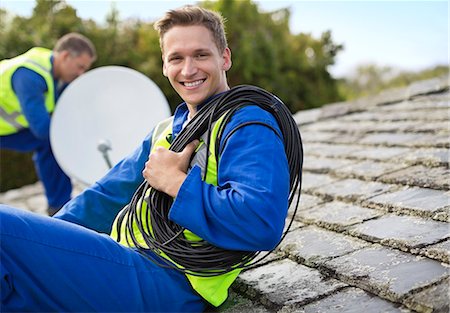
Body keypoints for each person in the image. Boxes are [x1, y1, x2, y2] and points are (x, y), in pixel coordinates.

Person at [0, 6, 293, 312]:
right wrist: (45, 246)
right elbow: (103, 197)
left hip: (169, 282)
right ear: (165, 66)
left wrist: (177, 183)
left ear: (225, 58)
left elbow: (261, 223)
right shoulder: (165, 131)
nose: (188, 69)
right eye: (176, 58)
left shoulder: (245, 123)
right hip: (123, 261)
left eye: (201, 55)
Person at [0, 33, 96, 216]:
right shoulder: (29, 76)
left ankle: (59, 207)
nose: (80, 74)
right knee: (51, 139)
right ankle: (58, 208)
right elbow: (42, 129)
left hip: (7, 129)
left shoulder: (58, 74)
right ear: (65, 56)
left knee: (51, 142)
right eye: (80, 67)